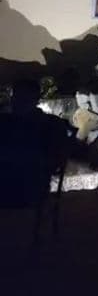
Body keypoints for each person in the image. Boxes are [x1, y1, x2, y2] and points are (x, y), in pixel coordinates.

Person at [0, 79, 73, 208]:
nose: (16, 102)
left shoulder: (48, 125)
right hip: (31, 184)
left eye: (22, 98)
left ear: (34, 100)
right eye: (16, 97)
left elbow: (55, 159)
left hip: (27, 187)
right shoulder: (8, 122)